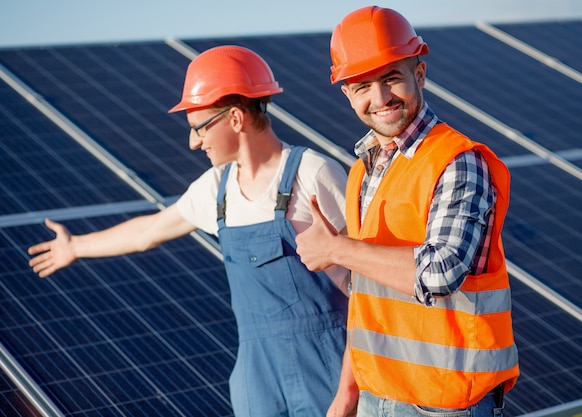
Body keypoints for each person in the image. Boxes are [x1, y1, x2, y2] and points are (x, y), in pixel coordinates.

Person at [28, 45, 350, 417]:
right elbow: (147, 231)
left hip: (325, 368)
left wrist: (347, 392)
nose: (193, 142)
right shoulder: (216, 189)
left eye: (198, 128)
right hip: (255, 377)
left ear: (234, 118)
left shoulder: (314, 175)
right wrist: (76, 246)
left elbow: (366, 289)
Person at [295, 6, 519, 417]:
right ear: (346, 92)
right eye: (362, 86)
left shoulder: (457, 161)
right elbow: (367, 297)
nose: (379, 99)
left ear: (419, 74)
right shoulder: (362, 170)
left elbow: (440, 273)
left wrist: (338, 250)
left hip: (445, 404)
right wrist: (348, 393)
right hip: (376, 395)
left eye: (391, 79)